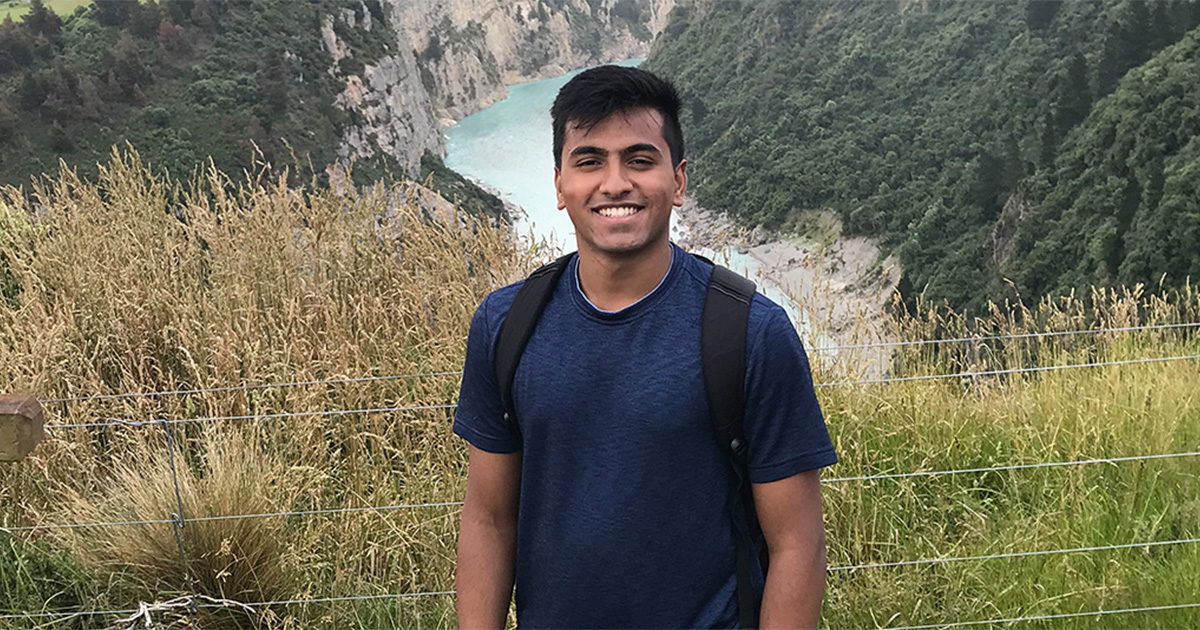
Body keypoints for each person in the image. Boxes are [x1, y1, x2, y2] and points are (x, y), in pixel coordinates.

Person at [453, 64, 836, 629]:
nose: (614, 183)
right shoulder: (506, 324)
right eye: (589, 161)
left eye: (639, 159)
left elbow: (797, 545)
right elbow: (489, 517)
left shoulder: (750, 332)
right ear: (559, 184)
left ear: (678, 181)